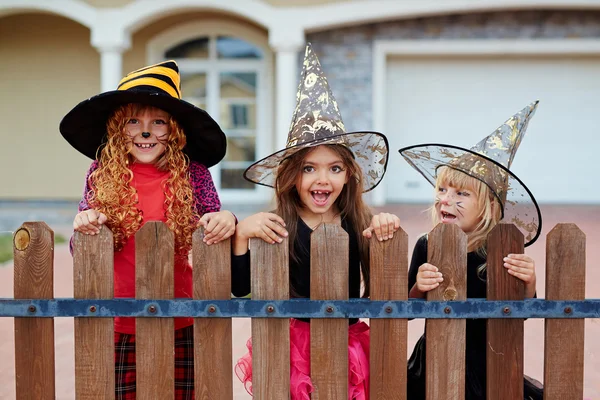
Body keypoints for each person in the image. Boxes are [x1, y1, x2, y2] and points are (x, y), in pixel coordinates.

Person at [231, 44, 399, 400]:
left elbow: (391, 289)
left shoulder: (360, 222)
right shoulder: (276, 225)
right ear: (292, 176)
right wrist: (242, 235)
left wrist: (386, 226)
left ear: (349, 176)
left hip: (349, 341)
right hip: (293, 344)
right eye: (309, 168)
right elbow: (240, 288)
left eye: (335, 169)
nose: (323, 179)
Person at [60, 60, 236, 400]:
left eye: (158, 122)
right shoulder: (101, 174)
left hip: (181, 315)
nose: (145, 132)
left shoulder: (193, 173)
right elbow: (79, 248)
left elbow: (213, 228)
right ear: (116, 128)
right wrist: (84, 225)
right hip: (117, 317)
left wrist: (227, 219)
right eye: (133, 121)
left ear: (174, 130)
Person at [399, 101, 544, 399]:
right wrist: (418, 288)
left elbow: (520, 312)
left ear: (490, 205)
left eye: (461, 193)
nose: (445, 200)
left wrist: (529, 284)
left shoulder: (500, 249)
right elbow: (406, 311)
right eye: (442, 190)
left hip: (490, 361)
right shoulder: (427, 244)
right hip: (434, 362)